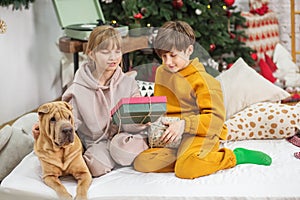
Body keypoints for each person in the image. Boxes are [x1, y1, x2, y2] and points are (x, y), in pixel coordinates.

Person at [133, 20, 272, 179]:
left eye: (173, 55)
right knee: (142, 162)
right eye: (163, 56)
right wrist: (150, 118)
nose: (168, 62)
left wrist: (184, 124)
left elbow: (216, 120)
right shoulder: (161, 72)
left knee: (186, 170)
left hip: (200, 133)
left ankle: (234, 156)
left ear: (189, 50)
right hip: (172, 135)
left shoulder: (204, 81)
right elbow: (160, 105)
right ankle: (187, 157)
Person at [33, 25, 149, 177]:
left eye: (117, 51)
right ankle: (111, 156)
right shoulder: (76, 90)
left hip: (124, 137)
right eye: (105, 52)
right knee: (94, 166)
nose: (113, 57)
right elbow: (70, 124)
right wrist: (43, 130)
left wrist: (142, 118)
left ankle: (119, 153)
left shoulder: (128, 83)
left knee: (122, 149)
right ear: (92, 54)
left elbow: (136, 122)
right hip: (97, 143)